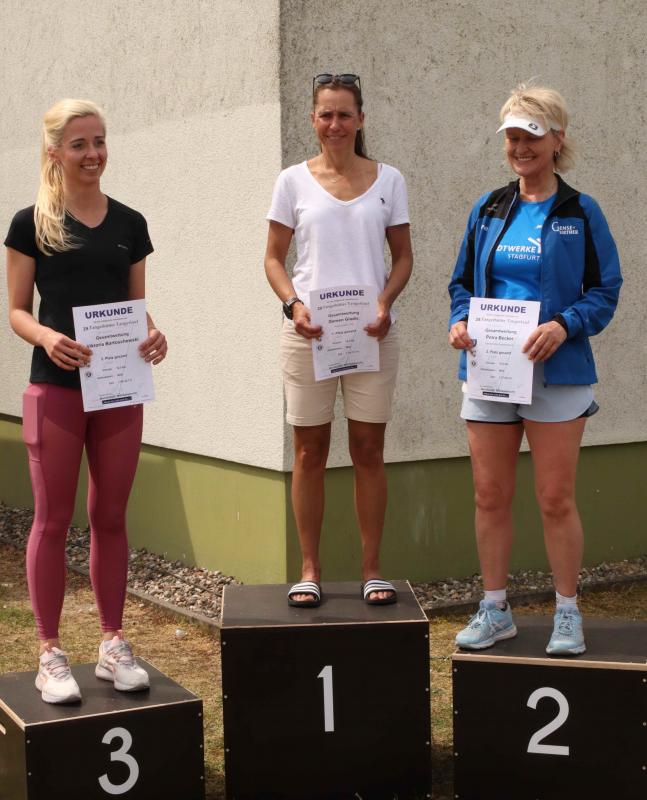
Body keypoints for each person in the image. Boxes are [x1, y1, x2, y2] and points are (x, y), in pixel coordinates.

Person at [448, 84, 621, 655]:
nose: (520, 148)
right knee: (490, 495)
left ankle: (567, 612)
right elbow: (461, 284)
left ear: (557, 141)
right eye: (513, 138)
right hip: (491, 370)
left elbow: (606, 290)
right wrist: (459, 322)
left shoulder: (581, 211)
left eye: (532, 137)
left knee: (554, 498)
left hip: (558, 373)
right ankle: (495, 608)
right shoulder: (488, 208)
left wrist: (565, 325)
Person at [5, 99, 167, 703]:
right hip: (55, 388)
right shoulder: (31, 223)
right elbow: (17, 311)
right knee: (52, 519)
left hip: (119, 390)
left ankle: (112, 643)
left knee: (112, 516)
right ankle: (49, 652)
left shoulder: (130, 223)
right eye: (79, 144)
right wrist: (48, 337)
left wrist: (153, 333)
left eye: (99, 141)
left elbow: (134, 308)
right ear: (54, 152)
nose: (93, 153)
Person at [264, 73, 413, 608]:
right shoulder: (292, 181)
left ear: (361, 119)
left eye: (344, 114)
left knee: (369, 449)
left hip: (372, 333)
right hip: (309, 334)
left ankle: (372, 569)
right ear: (313, 119)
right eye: (325, 114)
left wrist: (385, 302)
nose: (335, 124)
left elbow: (403, 258)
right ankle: (310, 569)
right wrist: (293, 305)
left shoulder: (389, 180)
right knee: (309, 451)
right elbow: (273, 259)